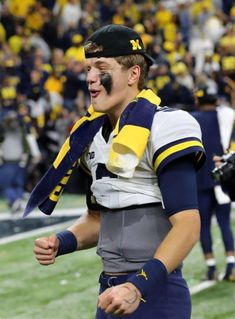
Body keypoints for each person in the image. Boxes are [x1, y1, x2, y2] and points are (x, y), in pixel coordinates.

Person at [30, 24, 206, 318]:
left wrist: (137, 287)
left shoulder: (167, 125)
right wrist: (63, 241)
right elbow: (101, 218)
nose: (90, 78)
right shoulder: (92, 135)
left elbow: (188, 225)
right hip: (110, 293)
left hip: (155, 292)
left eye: (101, 67)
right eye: (88, 69)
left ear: (133, 74)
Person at [191, 83, 235, 281]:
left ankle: (211, 269)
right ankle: (232, 265)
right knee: (225, 223)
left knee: (204, 226)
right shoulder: (225, 116)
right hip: (222, 178)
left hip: (200, 180)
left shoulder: (192, 119)